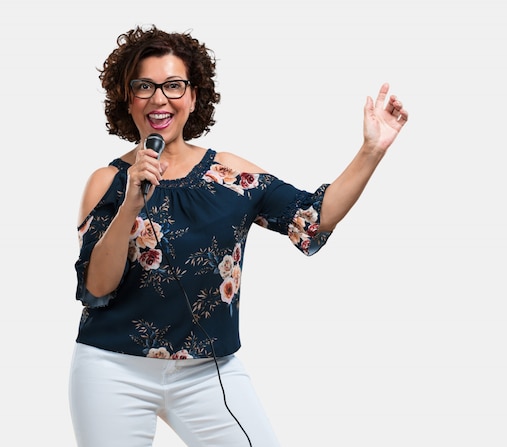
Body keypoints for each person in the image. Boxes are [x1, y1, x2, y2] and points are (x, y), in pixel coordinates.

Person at [69, 24, 409, 447]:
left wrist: (371, 151)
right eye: (145, 86)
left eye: (174, 85)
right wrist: (130, 207)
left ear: (194, 96)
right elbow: (96, 287)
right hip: (112, 369)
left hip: (208, 372)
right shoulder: (108, 182)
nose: (160, 99)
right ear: (128, 97)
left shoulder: (230, 175)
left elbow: (312, 219)